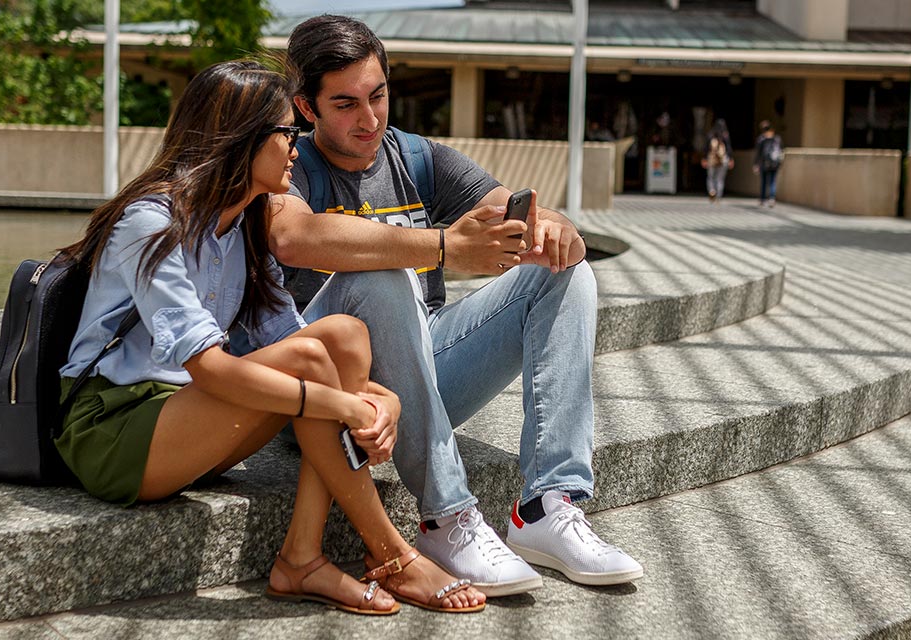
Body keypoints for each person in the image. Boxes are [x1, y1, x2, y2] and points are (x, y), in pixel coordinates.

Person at [56, 60, 485, 615]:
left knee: (345, 337)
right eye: (287, 132)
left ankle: (301, 557)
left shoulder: (244, 226)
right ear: (241, 140)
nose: (296, 146)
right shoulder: (152, 222)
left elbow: (299, 339)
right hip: (116, 430)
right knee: (315, 359)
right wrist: (343, 404)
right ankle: (393, 555)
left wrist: (384, 398)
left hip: (189, 421)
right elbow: (209, 368)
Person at [272, 15, 643, 596]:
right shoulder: (287, 164)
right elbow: (292, 236)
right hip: (327, 400)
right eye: (345, 104)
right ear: (306, 106)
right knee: (383, 275)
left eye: (378, 96)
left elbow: (517, 211)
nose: (369, 119)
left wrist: (554, 232)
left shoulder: (419, 159)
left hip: (425, 367)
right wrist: (445, 245)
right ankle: (446, 518)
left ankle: (549, 504)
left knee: (566, 273)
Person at [753, 120, 784, 207]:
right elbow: (781, 151)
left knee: (764, 182)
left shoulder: (761, 139)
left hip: (764, 163)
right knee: (772, 182)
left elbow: (758, 153)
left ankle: (763, 199)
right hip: (775, 164)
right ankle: (771, 198)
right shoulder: (777, 138)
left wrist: (756, 164)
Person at [702, 119, 733, 204]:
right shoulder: (725, 135)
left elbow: (705, 148)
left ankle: (712, 191)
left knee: (710, 177)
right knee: (720, 179)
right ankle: (718, 196)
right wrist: (730, 159)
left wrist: (704, 158)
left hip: (711, 160)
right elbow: (729, 148)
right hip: (723, 160)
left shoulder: (710, 134)